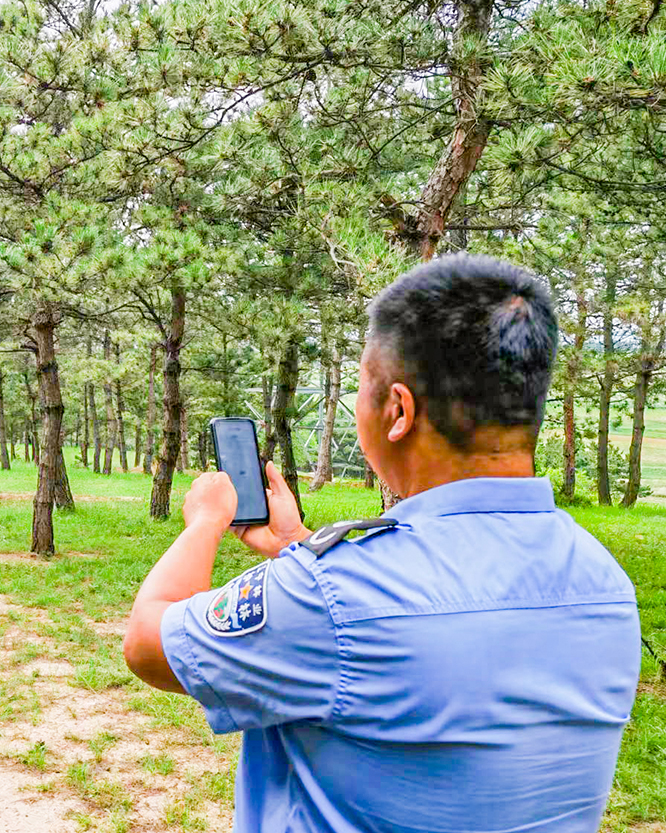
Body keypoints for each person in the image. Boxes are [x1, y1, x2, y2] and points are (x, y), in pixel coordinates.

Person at [123, 253, 641, 833]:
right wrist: (294, 544)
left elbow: (148, 643)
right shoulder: (607, 586)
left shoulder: (332, 595)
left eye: (365, 388)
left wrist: (205, 522)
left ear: (398, 410)